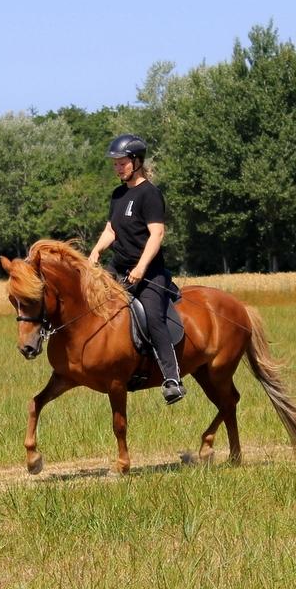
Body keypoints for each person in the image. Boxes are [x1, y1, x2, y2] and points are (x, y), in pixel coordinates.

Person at [88, 133, 186, 404]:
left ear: (137, 161)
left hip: (148, 273)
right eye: (115, 164)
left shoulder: (150, 194)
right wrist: (96, 251)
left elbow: (157, 234)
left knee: (153, 318)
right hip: (117, 267)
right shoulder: (118, 194)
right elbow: (111, 229)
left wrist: (142, 267)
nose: (118, 168)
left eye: (122, 163)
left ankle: (172, 378)